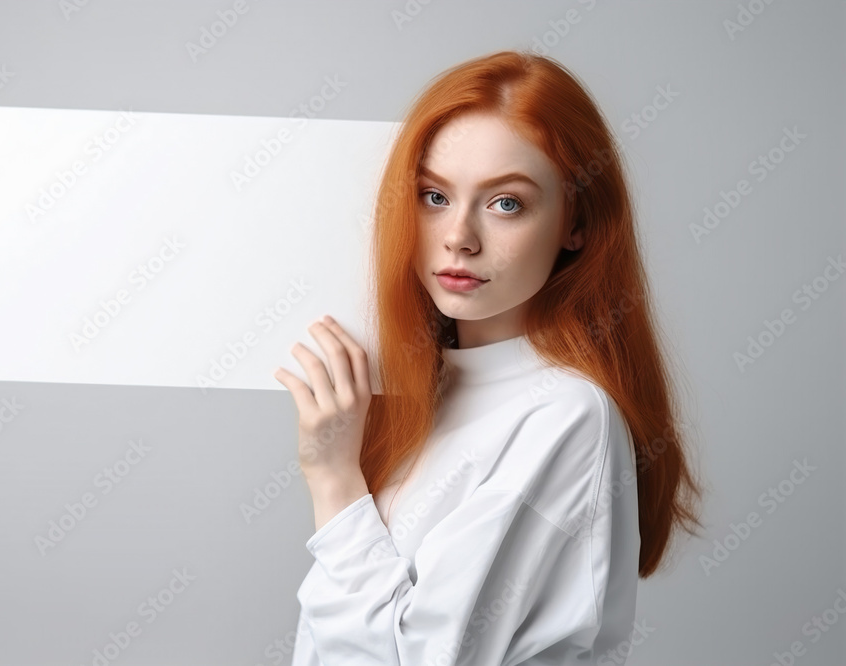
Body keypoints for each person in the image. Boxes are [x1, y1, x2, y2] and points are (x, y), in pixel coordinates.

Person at [273, 49, 705, 666]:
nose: (459, 237)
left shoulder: (566, 414)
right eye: (433, 196)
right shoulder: (418, 393)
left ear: (574, 223)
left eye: (506, 203)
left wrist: (333, 478)